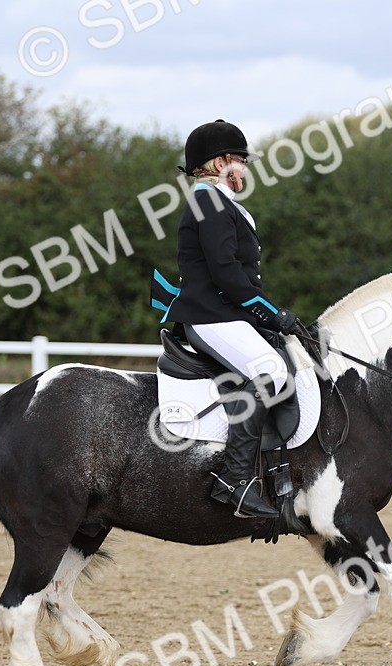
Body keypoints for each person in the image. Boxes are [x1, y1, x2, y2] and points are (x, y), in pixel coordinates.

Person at [161, 119, 304, 520]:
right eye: (241, 160)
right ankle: (235, 481)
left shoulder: (221, 204)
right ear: (222, 161)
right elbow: (227, 274)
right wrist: (273, 313)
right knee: (270, 369)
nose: (245, 168)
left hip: (225, 315)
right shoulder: (208, 203)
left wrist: (270, 317)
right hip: (210, 317)